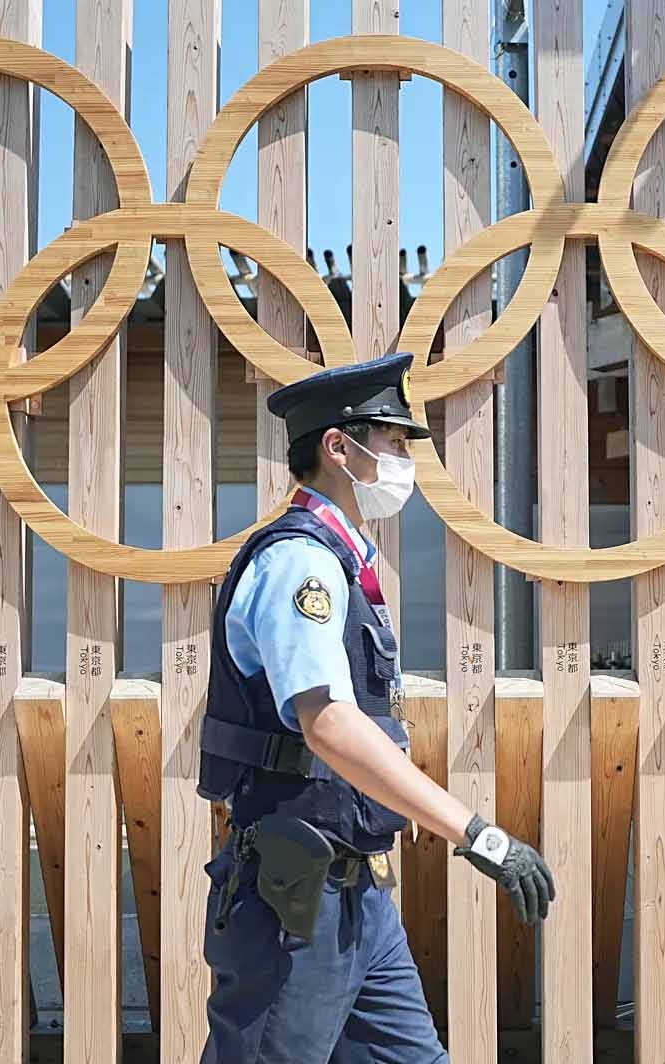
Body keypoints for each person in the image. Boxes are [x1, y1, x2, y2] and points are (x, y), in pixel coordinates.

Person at [198, 352, 555, 1062]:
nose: (403, 461)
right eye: (393, 442)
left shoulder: (341, 557)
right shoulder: (300, 564)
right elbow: (326, 725)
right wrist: (476, 833)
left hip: (357, 897)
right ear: (339, 447)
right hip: (293, 900)